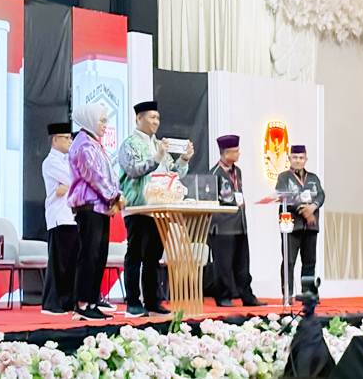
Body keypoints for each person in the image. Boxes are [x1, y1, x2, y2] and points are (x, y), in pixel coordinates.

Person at [118, 100, 193, 318]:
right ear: (138, 118)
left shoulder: (160, 144)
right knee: (135, 254)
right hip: (139, 207)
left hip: (160, 208)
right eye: (151, 117)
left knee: (153, 256)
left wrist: (184, 159)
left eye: (158, 118)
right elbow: (133, 170)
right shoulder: (129, 144)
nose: (155, 122)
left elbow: (174, 173)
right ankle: (132, 301)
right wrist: (157, 157)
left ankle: (152, 300)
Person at [68, 104, 124, 321]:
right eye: (101, 120)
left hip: (100, 207)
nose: (105, 125)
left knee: (99, 256)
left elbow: (109, 174)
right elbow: (95, 177)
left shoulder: (95, 144)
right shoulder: (83, 145)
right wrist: (115, 197)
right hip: (89, 207)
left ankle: (92, 301)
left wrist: (114, 195)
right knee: (89, 256)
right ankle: (82, 303)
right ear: (89, 120)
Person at [209, 135, 264, 307]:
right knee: (223, 265)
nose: (238, 153)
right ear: (225, 153)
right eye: (235, 151)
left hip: (240, 224)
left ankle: (247, 296)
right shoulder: (214, 173)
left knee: (243, 264)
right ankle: (223, 296)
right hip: (222, 226)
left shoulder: (237, 171)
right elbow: (210, 201)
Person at [275, 145, 325, 296]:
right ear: (289, 158)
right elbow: (284, 196)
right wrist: (305, 211)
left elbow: (321, 195)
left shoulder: (313, 178)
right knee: (289, 262)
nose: (298, 160)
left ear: (306, 159)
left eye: (301, 158)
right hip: (291, 225)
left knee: (310, 262)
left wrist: (313, 207)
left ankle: (308, 293)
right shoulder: (283, 177)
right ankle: (288, 294)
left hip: (311, 227)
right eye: (295, 157)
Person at [40, 122, 78, 316]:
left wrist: (68, 186)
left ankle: (67, 301)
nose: (70, 141)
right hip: (58, 216)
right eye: (66, 138)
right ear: (55, 139)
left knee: (71, 262)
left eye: (71, 138)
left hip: (72, 216)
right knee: (58, 262)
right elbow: (75, 179)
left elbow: (74, 180)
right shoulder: (51, 161)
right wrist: (69, 184)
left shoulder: (67, 159)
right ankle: (51, 303)